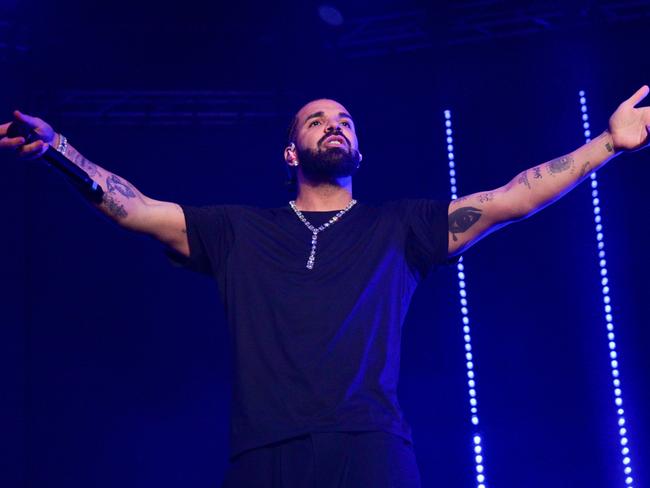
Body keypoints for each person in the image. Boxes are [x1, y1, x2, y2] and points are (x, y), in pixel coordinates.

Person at [2, 89, 649, 487]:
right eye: (316, 120)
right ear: (290, 153)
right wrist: (59, 148)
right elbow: (136, 207)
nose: (334, 125)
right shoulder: (237, 230)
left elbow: (514, 197)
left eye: (344, 119)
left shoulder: (402, 226)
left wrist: (609, 144)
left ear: (359, 146)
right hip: (263, 452)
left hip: (370, 449)